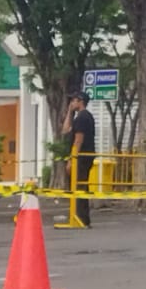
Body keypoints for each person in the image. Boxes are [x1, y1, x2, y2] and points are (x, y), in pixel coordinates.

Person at [62, 92, 97, 228]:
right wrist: (70, 112)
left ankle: (81, 218)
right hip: (82, 156)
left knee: (80, 186)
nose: (71, 103)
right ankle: (78, 216)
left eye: (73, 100)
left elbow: (78, 140)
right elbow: (65, 130)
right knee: (77, 185)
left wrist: (72, 159)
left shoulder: (83, 117)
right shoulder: (79, 117)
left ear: (80, 101)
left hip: (82, 157)